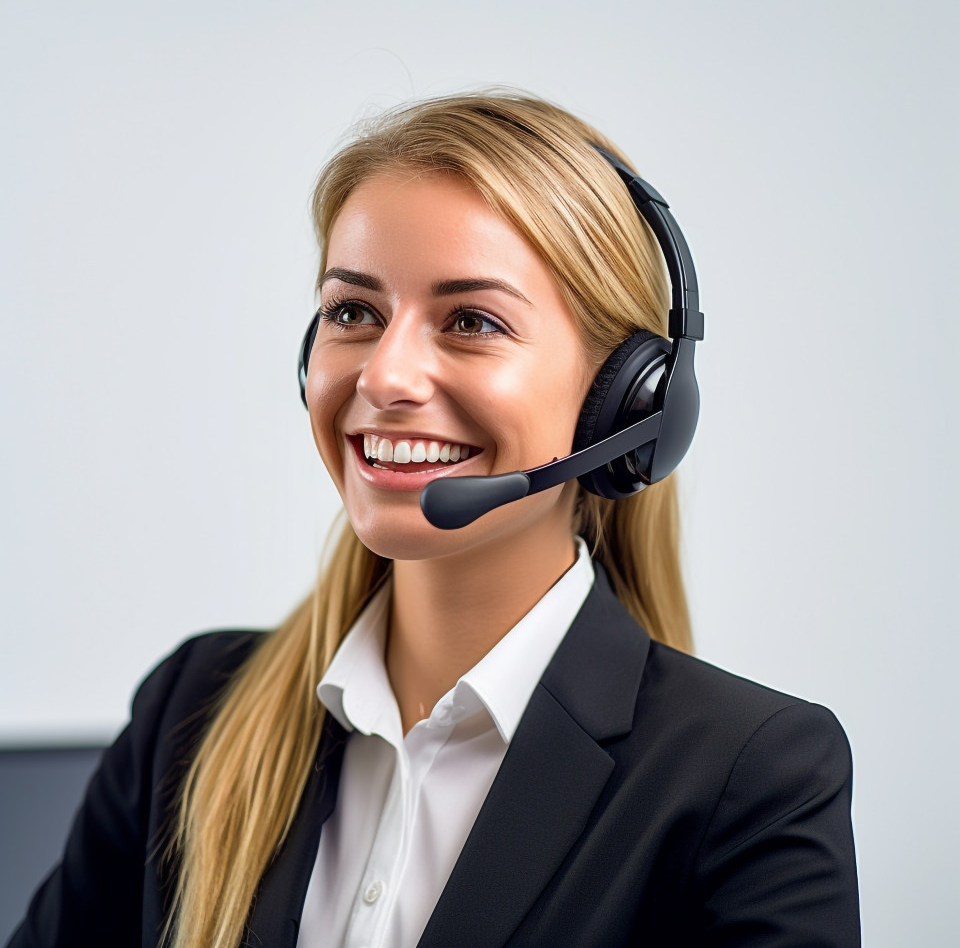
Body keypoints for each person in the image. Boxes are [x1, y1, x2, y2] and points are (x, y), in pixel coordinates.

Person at [8, 91, 860, 948]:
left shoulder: (748, 778)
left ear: (625, 402)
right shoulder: (192, 715)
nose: (384, 377)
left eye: (471, 322)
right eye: (355, 312)